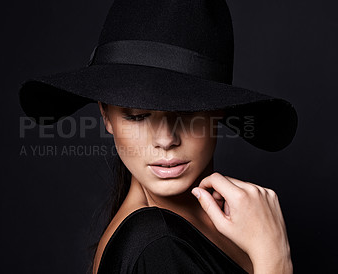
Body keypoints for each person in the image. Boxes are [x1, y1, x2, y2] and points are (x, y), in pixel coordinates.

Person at [18, 0, 298, 273]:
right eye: (138, 116)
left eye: (187, 113)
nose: (165, 140)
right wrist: (275, 259)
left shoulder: (220, 222)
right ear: (106, 116)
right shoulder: (157, 245)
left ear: (219, 110)